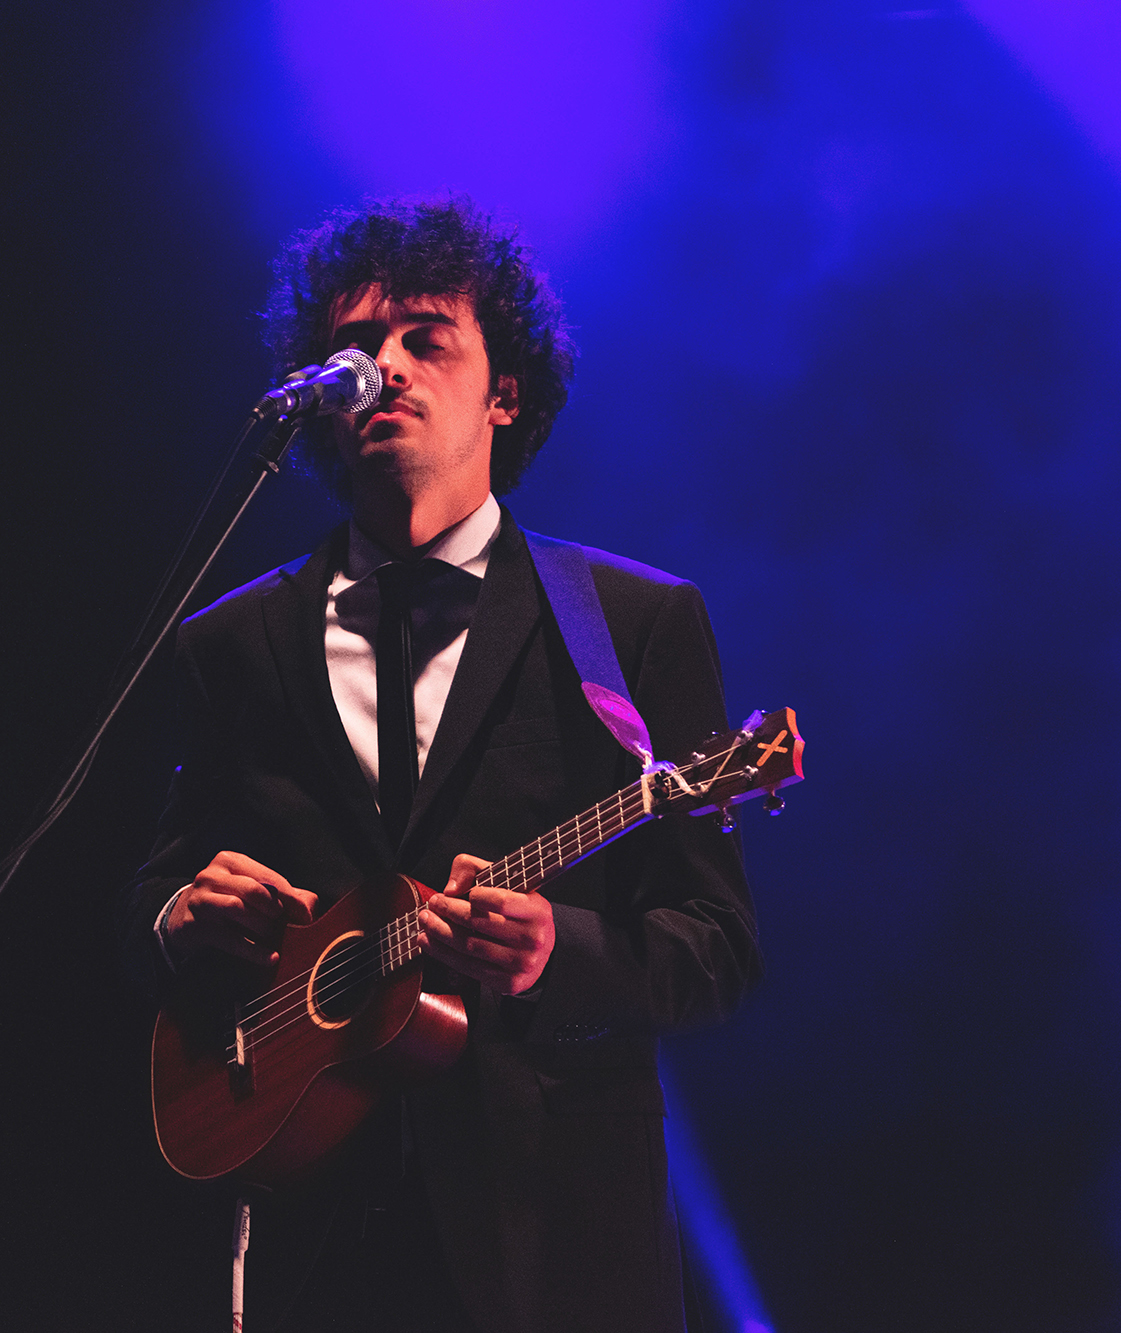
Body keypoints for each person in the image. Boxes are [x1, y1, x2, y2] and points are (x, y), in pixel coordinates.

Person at [120, 197, 760, 1332]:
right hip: (313, 1223)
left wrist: (559, 949)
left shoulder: (630, 623)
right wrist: (181, 912)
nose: (385, 367)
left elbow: (717, 948)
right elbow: (157, 890)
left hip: (554, 1234)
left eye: (426, 339)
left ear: (502, 392)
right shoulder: (233, 641)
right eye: (355, 346)